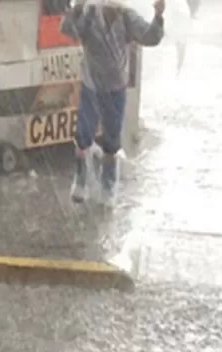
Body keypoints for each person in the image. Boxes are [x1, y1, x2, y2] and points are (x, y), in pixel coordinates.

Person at [61, 0, 165, 205]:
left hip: (116, 88)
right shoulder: (89, 14)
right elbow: (68, 30)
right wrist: (76, 9)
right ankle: (81, 181)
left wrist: (158, 16)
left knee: (111, 141)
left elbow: (150, 37)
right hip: (92, 85)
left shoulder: (127, 16)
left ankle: (108, 188)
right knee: (83, 136)